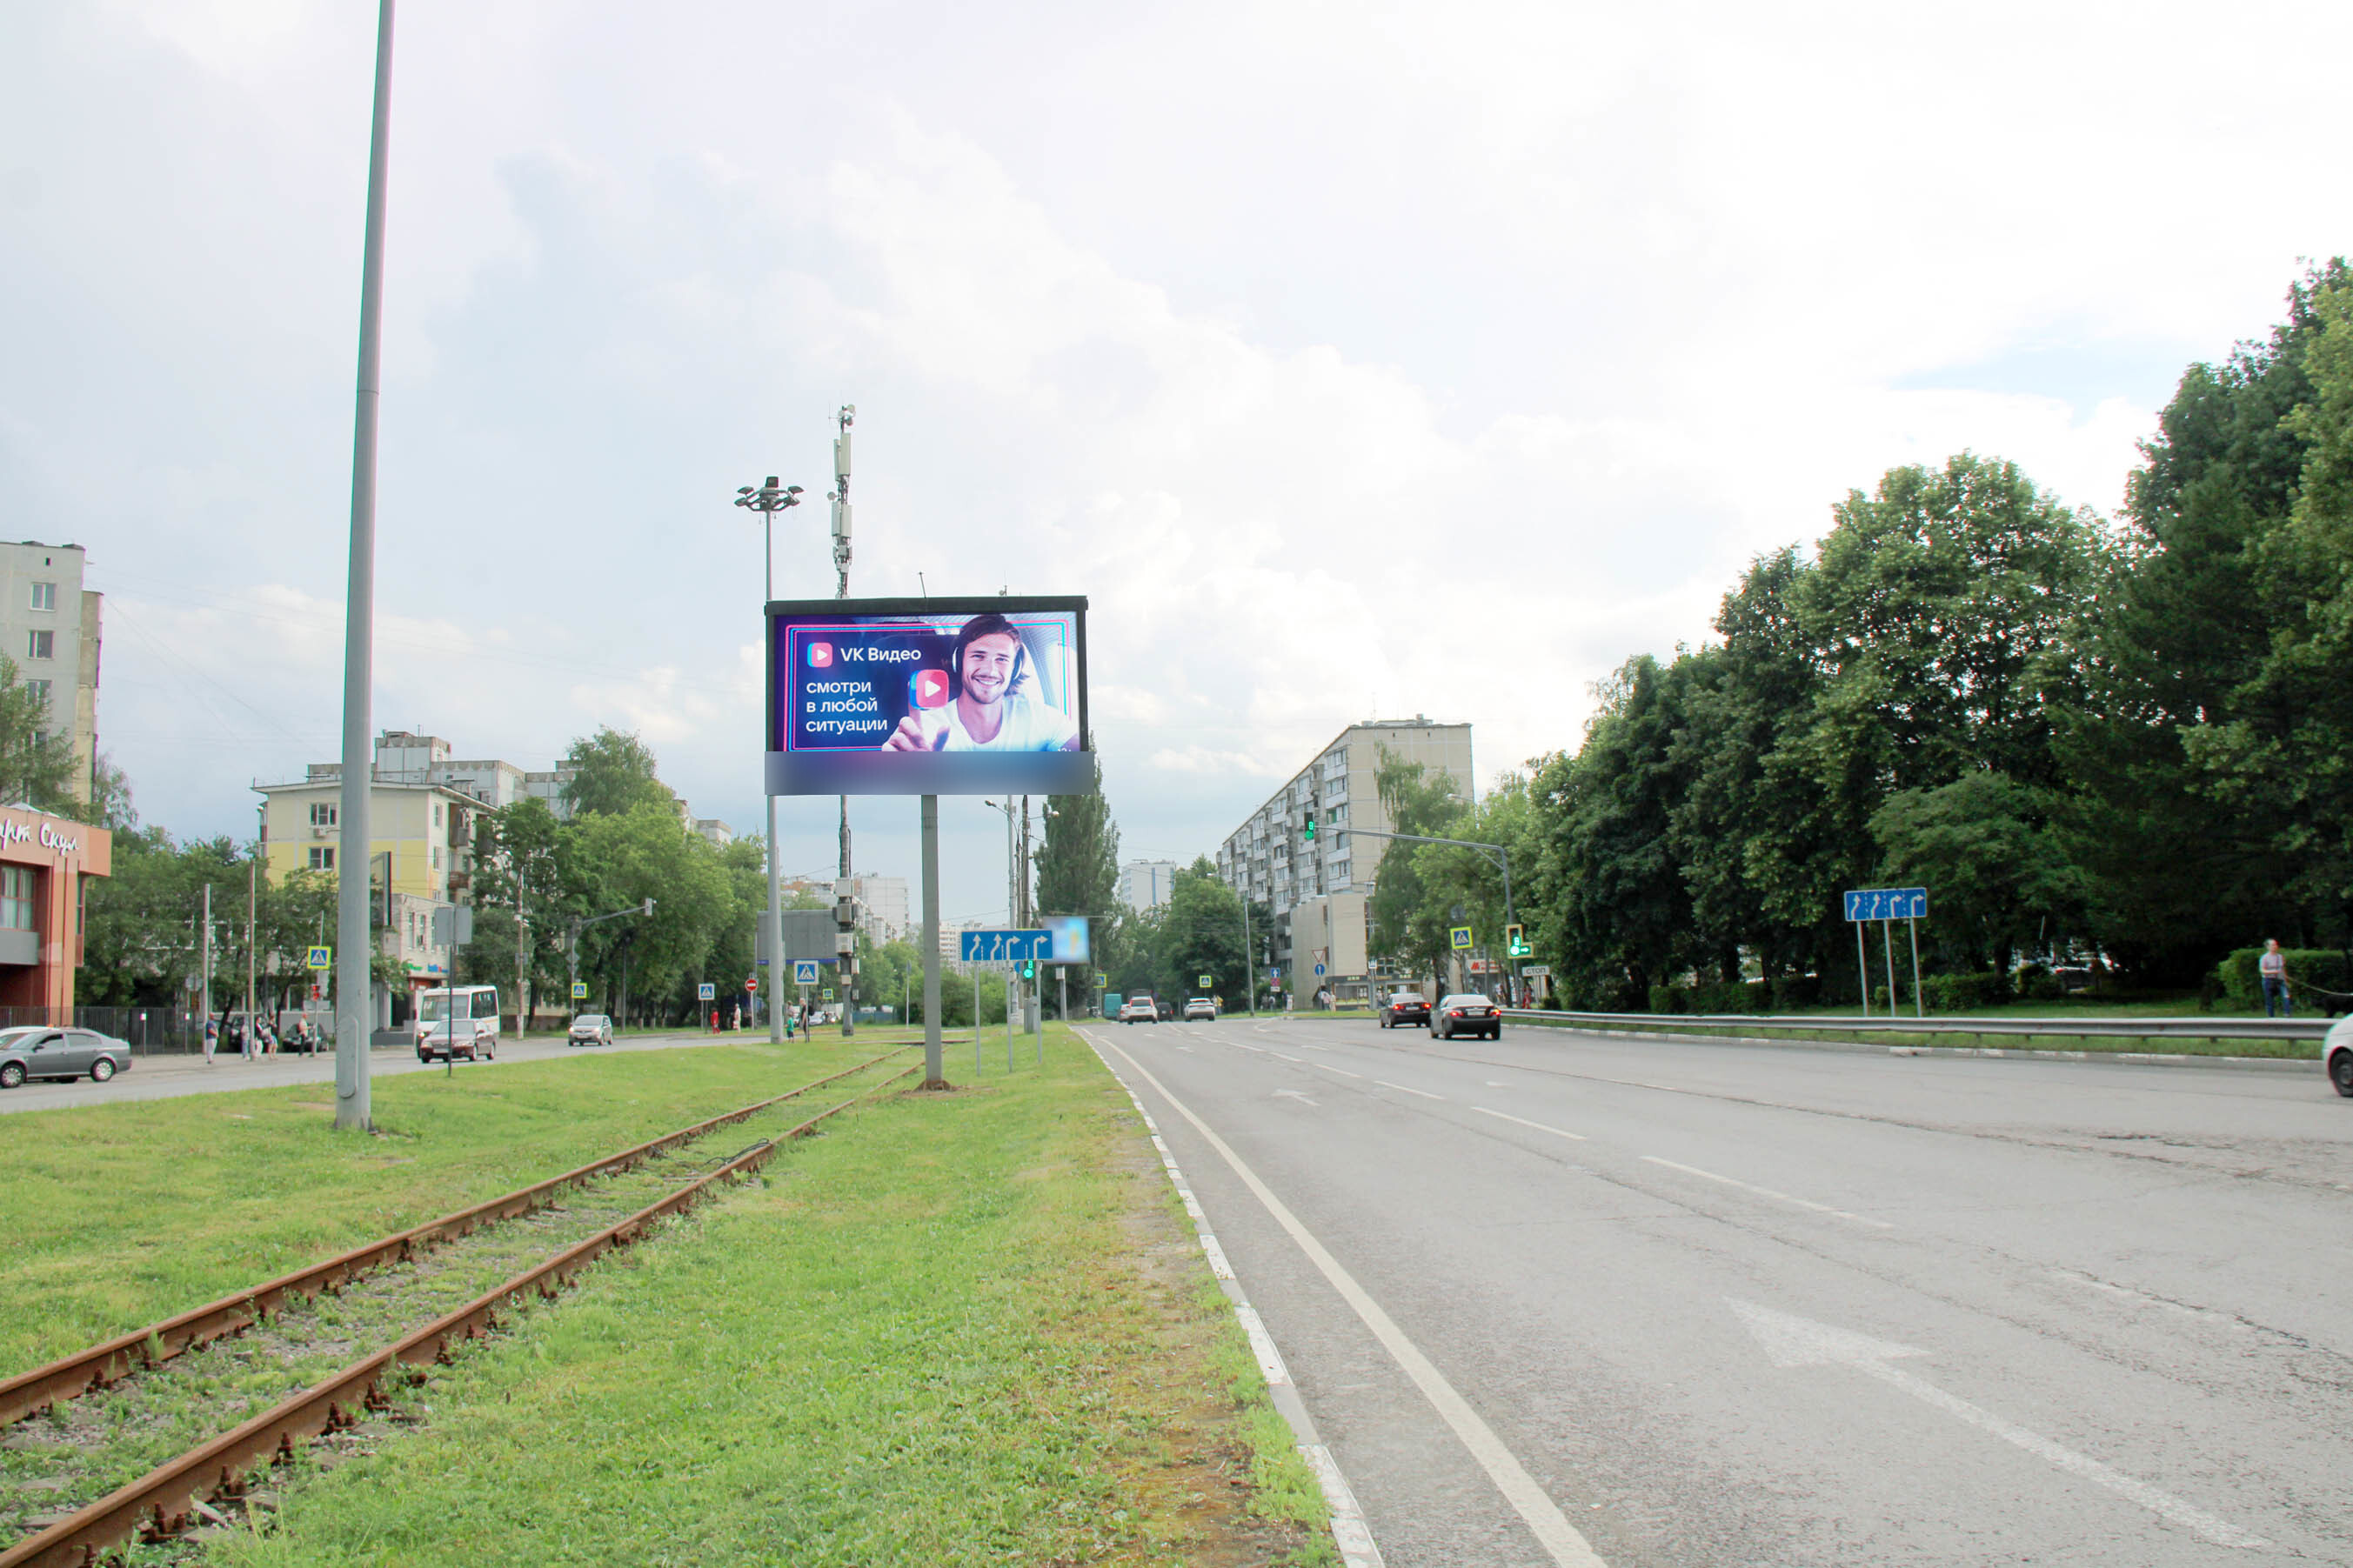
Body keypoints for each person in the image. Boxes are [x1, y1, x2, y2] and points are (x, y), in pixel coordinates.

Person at [879, 613, 1080, 753]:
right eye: (978, 656)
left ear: (1015, 668)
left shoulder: (1042, 718)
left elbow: (1079, 768)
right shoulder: (928, 728)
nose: (990, 670)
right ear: (959, 662)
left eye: (1002, 659)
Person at [2260, 938, 2292, 1017]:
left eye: (2276, 944)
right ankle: (2271, 1018)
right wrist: (2274, 972)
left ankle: (2287, 1014)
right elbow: (2262, 970)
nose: (2275, 946)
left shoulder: (2280, 957)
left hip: (2280, 980)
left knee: (2286, 996)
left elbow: (2283, 969)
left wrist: (2286, 980)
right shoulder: (2264, 958)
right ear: (2268, 947)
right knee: (2269, 1000)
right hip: (2268, 980)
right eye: (2273, 945)